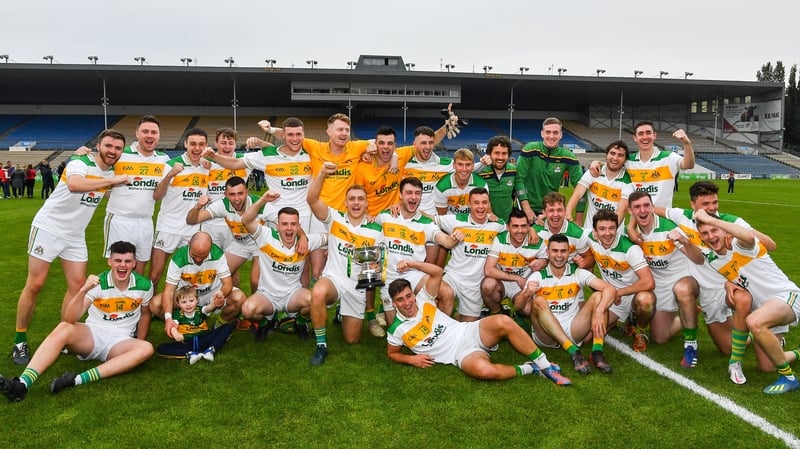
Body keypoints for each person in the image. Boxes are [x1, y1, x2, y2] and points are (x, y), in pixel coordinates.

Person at [10, 130, 129, 365]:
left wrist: (114, 178)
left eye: (117, 148)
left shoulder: (114, 170)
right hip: (49, 228)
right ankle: (20, 340)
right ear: (98, 146)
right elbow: (74, 185)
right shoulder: (80, 161)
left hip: (75, 236)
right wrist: (112, 181)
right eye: (108, 146)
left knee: (77, 287)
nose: (112, 151)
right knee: (35, 285)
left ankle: (62, 336)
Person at [653, 181, 778, 382]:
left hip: (729, 286)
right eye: (705, 204)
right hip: (707, 291)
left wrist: (741, 233)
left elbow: (771, 245)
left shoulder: (731, 222)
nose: (711, 208)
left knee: (743, 299)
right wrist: (632, 227)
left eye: (715, 202)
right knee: (725, 348)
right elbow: (651, 209)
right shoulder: (682, 216)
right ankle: (754, 334)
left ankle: (758, 329)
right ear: (693, 205)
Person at [0, 241, 153, 402]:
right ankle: (21, 384)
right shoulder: (98, 282)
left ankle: (75, 380)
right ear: (110, 261)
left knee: (146, 349)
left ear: (134, 263)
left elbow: (145, 314)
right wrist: (83, 289)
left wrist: (138, 341)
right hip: (92, 336)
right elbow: (70, 318)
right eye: (118, 261)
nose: (123, 266)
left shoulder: (144, 285)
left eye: (128, 261)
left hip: (121, 341)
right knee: (64, 327)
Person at [386, 258, 571, 386]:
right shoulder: (397, 329)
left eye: (409, 296)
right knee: (485, 372)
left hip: (468, 330)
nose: (407, 302)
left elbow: (437, 272)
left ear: (413, 294)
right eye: (400, 300)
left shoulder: (423, 299)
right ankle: (531, 368)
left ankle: (547, 366)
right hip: (459, 354)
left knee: (504, 321)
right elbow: (392, 353)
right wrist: (411, 359)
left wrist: (411, 263)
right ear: (394, 304)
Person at [693, 209, 800, 394]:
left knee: (754, 322)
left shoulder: (739, 245)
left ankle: (789, 378)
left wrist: (710, 219)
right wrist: (728, 283)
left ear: (724, 231)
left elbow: (749, 237)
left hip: (788, 297)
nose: (711, 236)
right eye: (705, 233)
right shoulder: (716, 260)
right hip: (767, 309)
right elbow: (738, 277)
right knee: (768, 365)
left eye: (714, 230)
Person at [306, 162, 383, 366]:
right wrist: (322, 173)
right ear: (346, 202)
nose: (356, 203)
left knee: (352, 340)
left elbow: (377, 265)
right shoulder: (335, 218)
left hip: (356, 288)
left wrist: (376, 268)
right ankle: (321, 345)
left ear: (367, 203)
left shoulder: (377, 230)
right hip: (334, 279)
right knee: (318, 293)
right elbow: (311, 199)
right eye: (352, 199)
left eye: (360, 199)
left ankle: (342, 312)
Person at [627, 190, 706, 367]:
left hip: (683, 278)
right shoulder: (632, 234)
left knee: (682, 289)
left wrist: (686, 242)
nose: (643, 210)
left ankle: (690, 345)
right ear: (630, 212)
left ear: (653, 207)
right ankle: (691, 311)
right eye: (637, 207)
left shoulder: (670, 228)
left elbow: (699, 259)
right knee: (660, 338)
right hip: (659, 285)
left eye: (647, 205)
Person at [522, 234, 617, 374]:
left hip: (573, 329)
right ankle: (573, 351)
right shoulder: (537, 276)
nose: (559, 255)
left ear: (569, 253)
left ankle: (597, 352)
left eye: (563, 251)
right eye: (555, 251)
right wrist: (526, 294)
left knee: (598, 296)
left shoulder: (578, 273)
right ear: (548, 253)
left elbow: (609, 289)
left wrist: (598, 311)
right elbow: (518, 307)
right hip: (546, 336)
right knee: (539, 301)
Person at [375, 177, 459, 325]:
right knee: (397, 328)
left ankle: (440, 330)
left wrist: (454, 238)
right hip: (388, 277)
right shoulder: (385, 216)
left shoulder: (426, 223)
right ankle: (384, 307)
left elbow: (446, 241)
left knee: (447, 293)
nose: (413, 197)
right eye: (409, 193)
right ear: (400, 195)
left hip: (412, 274)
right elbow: (367, 231)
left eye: (417, 193)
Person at [240, 202, 326, 342]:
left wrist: (331, 246)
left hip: (292, 295)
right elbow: (245, 220)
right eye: (284, 224)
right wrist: (263, 200)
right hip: (267, 295)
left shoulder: (306, 242)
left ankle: (299, 322)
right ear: (277, 225)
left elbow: (332, 236)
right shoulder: (265, 236)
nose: (289, 228)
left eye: (293, 224)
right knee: (247, 310)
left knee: (315, 300)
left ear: (299, 227)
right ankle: (264, 323)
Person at [102, 115, 169, 274]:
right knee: (120, 269)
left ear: (158, 136)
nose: (149, 135)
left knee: (139, 270)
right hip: (120, 220)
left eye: (154, 132)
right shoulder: (120, 154)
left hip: (145, 222)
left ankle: (134, 299)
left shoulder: (163, 160)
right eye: (145, 131)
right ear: (137, 133)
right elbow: (98, 170)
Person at [151, 232, 246, 339]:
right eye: (195, 255)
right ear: (189, 244)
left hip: (212, 294)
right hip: (186, 295)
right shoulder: (178, 258)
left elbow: (228, 283)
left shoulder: (217, 254)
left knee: (239, 298)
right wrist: (168, 318)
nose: (198, 260)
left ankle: (219, 325)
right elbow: (169, 291)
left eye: (203, 256)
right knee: (155, 304)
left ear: (210, 248)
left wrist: (220, 294)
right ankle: (182, 322)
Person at [587, 209, 656, 352]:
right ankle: (622, 320)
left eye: (612, 228)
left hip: (632, 294)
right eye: (602, 229)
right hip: (611, 298)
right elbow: (567, 232)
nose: (607, 233)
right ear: (594, 231)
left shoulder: (630, 249)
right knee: (589, 335)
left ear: (617, 228)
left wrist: (618, 293)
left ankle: (637, 328)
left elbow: (649, 282)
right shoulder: (590, 238)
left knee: (646, 301)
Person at [149, 128, 210, 287]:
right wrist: (170, 175)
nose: (197, 148)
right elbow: (157, 196)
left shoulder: (207, 167)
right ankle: (147, 311)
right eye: (193, 144)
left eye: (201, 144)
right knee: (155, 274)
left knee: (191, 276)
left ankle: (186, 310)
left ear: (206, 146)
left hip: (192, 229)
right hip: (168, 227)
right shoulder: (171, 166)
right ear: (185, 144)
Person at [436, 188, 505, 321]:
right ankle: (437, 332)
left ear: (489, 204)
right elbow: (428, 218)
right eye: (476, 203)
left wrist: (531, 231)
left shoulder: (497, 225)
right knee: (446, 295)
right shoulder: (455, 220)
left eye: (484, 203)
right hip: (453, 277)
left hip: (474, 286)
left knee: (466, 327)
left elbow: (517, 230)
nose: (480, 207)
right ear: (469, 205)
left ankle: (457, 317)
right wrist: (401, 206)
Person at [591, 122, 694, 209]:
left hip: (663, 221)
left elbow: (688, 164)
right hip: (638, 221)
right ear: (635, 138)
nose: (645, 137)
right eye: (641, 134)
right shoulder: (629, 160)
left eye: (648, 133)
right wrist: (597, 162)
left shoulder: (668, 157)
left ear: (654, 135)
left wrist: (686, 143)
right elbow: (613, 163)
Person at [185, 176, 263, 292]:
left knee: (255, 280)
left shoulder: (260, 204)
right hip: (240, 243)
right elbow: (191, 220)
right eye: (232, 194)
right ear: (225, 194)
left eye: (240, 193)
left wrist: (301, 236)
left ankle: (256, 308)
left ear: (247, 192)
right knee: (218, 276)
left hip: (260, 244)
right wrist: (198, 207)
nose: (237, 199)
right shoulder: (222, 204)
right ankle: (235, 302)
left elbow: (283, 221)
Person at [515, 117, 582, 222]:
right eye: (548, 132)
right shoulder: (531, 149)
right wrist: (526, 208)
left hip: (550, 211)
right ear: (542, 133)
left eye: (555, 132)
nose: (551, 136)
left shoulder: (569, 157)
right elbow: (518, 179)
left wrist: (578, 218)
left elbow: (581, 187)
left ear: (561, 134)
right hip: (525, 209)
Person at [481, 208, 545, 317]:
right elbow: (488, 270)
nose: (520, 231)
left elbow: (549, 259)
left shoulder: (536, 241)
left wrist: (543, 261)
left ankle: (517, 310)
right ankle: (497, 312)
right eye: (515, 226)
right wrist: (517, 278)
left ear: (529, 227)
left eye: (523, 226)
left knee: (528, 311)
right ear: (508, 227)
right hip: (503, 281)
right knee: (488, 285)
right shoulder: (500, 239)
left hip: (523, 285)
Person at [157, 285, 234, 364]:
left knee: (227, 327)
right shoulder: (177, 315)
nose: (188, 304)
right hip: (187, 342)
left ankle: (210, 350)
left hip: (204, 339)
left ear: (197, 300)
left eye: (191, 300)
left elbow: (209, 308)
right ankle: (190, 354)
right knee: (161, 348)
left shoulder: (200, 310)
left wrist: (215, 302)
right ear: (178, 303)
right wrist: (176, 334)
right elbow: (173, 325)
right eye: (184, 302)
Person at [202, 128, 251, 251]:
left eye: (231, 143)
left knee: (233, 265)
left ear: (235, 144)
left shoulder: (243, 162)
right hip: (211, 223)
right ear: (215, 143)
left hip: (234, 224)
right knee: (210, 263)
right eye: (223, 142)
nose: (227, 146)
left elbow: (271, 152)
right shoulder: (206, 163)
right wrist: (200, 158)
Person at [565, 140, 633, 229]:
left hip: (612, 234)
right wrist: (568, 212)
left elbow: (622, 210)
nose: (615, 158)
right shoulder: (594, 170)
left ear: (625, 159)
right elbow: (577, 194)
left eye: (620, 155)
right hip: (590, 233)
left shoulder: (628, 180)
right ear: (606, 155)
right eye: (612, 153)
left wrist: (608, 231)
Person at [434, 148, 489, 216]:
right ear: (454, 165)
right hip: (451, 224)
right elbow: (442, 215)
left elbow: (484, 211)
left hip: (473, 222)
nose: (464, 169)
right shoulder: (442, 187)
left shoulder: (481, 185)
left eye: (468, 165)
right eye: (460, 164)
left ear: (473, 166)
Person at [477, 136, 518, 224]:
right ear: (489, 154)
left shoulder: (513, 170)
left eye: (504, 153)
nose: (500, 157)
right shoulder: (480, 172)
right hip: (485, 224)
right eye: (497, 153)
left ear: (509, 155)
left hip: (507, 224)